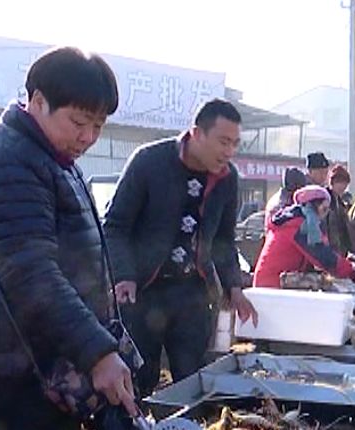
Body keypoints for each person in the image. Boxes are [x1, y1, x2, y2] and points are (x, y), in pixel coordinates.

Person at [0, 47, 137, 430]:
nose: (88, 136)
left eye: (98, 125)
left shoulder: (49, 154)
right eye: (79, 122)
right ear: (37, 101)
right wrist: (95, 351)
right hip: (16, 361)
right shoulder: (7, 159)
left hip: (46, 353)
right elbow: (30, 274)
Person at [104, 99, 257, 393]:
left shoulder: (228, 178)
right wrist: (123, 275)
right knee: (140, 377)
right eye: (223, 142)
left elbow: (224, 239)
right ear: (197, 133)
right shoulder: (149, 161)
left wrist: (234, 288)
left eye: (235, 144)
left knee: (192, 377)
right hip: (143, 291)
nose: (229, 152)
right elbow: (115, 226)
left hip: (193, 292)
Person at [252, 185, 355, 288]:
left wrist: (345, 262)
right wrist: (350, 271)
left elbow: (324, 250)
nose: (324, 215)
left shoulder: (300, 221)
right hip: (270, 286)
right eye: (323, 209)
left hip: (274, 282)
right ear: (312, 206)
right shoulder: (300, 226)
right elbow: (321, 255)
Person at [325, 164, 353, 254]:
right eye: (339, 182)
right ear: (332, 182)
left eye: (345, 183)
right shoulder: (325, 199)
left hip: (340, 249)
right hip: (329, 248)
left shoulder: (341, 203)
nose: (342, 186)